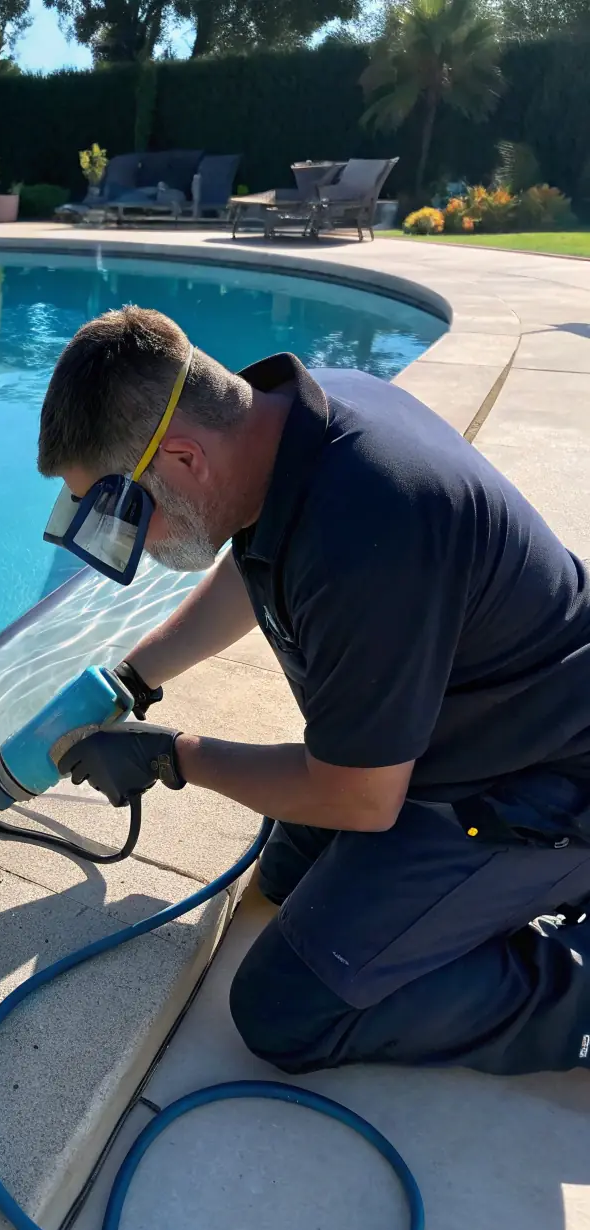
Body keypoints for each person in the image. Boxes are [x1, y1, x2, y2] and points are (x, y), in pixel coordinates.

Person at [38, 304, 590, 1076]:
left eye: (124, 510)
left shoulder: (369, 523)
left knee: (286, 1007)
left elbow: (359, 798)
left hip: (538, 784)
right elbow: (251, 565)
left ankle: (573, 999)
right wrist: (135, 676)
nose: (133, 540)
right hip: (449, 739)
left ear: (186, 458)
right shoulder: (286, 428)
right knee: (286, 876)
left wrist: (173, 758)